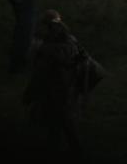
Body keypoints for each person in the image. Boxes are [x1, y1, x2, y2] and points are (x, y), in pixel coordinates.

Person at [23, 10, 102, 155]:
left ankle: (69, 150)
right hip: (67, 87)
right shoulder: (70, 41)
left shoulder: (44, 47)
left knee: (59, 120)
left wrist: (31, 91)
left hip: (55, 87)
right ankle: (68, 150)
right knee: (61, 120)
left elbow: (40, 71)